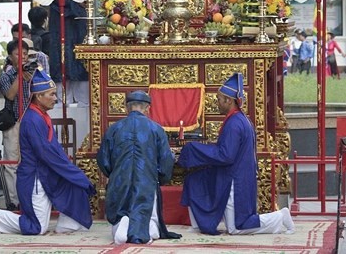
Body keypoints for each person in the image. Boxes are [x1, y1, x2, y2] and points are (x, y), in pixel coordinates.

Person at [177, 73, 294, 235]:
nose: (217, 103)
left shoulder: (234, 124)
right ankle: (198, 225)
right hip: (236, 174)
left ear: (229, 101)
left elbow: (225, 155)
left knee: (237, 227)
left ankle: (279, 217)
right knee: (194, 180)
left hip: (235, 180)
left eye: (219, 99)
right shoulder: (239, 119)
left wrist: (194, 149)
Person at [0, 69, 95, 234]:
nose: (55, 98)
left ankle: (67, 223)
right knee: (36, 228)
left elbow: (54, 150)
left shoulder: (41, 115)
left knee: (75, 185)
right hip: (35, 178)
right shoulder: (32, 119)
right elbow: (46, 153)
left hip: (46, 173)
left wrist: (73, 173)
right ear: (38, 96)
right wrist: (72, 171)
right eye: (51, 94)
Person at [97, 90, 181, 245]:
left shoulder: (114, 129)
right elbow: (165, 161)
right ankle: (146, 229)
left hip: (119, 182)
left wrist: (115, 174)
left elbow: (103, 159)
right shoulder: (156, 129)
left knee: (121, 210)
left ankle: (122, 223)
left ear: (126, 107)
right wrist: (159, 178)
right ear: (147, 108)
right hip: (146, 182)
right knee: (147, 213)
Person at [0, 39, 34, 208]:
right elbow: (10, 96)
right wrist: (19, 76)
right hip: (14, 122)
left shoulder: (33, 73)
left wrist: (32, 77)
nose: (23, 57)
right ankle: (13, 200)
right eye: (18, 54)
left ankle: (31, 198)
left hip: (31, 122)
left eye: (25, 54)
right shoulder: (6, 76)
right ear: (10, 57)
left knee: (30, 160)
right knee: (12, 162)